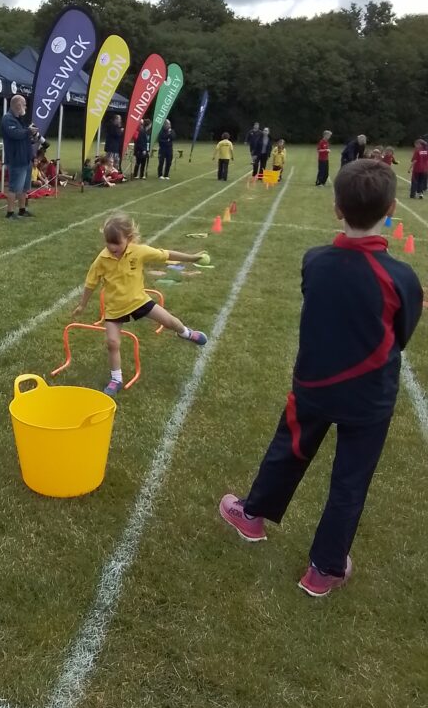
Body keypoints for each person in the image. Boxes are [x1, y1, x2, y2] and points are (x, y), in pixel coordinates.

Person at [219, 160, 423, 596]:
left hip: (316, 386)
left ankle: (253, 517)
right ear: (391, 208)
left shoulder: (318, 261)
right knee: (349, 480)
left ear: (336, 208)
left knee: (289, 452)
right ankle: (324, 567)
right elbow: (402, 333)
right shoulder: (400, 276)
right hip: (368, 398)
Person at [73, 213, 209, 397]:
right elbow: (90, 283)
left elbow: (166, 255)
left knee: (170, 321)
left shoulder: (139, 251)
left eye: (117, 243)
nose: (112, 247)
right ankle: (116, 379)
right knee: (112, 343)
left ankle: (186, 333)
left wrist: (192, 258)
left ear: (128, 239)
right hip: (115, 308)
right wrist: (82, 305)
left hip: (139, 301)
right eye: (108, 243)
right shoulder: (102, 259)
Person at [2, 94, 39, 220]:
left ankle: (22, 210)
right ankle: (10, 212)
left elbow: (26, 139)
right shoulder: (8, 119)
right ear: (17, 105)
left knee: (24, 188)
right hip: (16, 159)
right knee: (14, 187)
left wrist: (33, 155)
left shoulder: (20, 119)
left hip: (25, 158)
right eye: (24, 104)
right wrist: (28, 131)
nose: (25, 107)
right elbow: (15, 134)